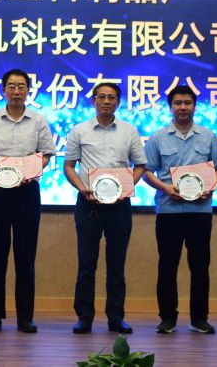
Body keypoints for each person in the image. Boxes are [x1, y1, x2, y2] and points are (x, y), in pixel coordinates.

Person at [0, 69, 56, 333]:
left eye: (21, 86)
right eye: (11, 86)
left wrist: (31, 171)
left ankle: (25, 317)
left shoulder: (38, 120)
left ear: (28, 90)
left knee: (25, 256)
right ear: (3, 90)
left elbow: (47, 154)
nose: (16, 91)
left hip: (27, 191)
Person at [64, 82, 146, 335]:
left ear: (118, 102)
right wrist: (82, 188)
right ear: (94, 101)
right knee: (86, 265)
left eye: (111, 97)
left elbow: (140, 165)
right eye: (101, 97)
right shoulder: (80, 130)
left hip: (120, 206)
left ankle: (116, 317)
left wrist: (126, 187)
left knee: (117, 266)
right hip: (88, 204)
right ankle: (84, 317)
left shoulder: (129, 130)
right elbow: (69, 166)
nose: (106, 101)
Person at [143, 84, 217, 334]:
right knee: (167, 265)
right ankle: (167, 318)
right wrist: (165, 188)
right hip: (169, 211)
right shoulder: (157, 137)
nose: (182, 107)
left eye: (187, 103)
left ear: (195, 106)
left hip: (200, 212)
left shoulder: (208, 136)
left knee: (200, 266)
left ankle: (199, 318)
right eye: (177, 103)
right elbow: (146, 171)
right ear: (170, 107)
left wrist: (212, 186)